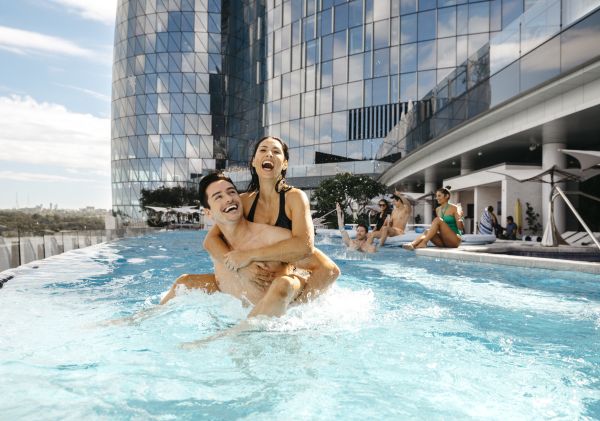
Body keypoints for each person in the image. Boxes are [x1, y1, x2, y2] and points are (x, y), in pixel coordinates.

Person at [203, 136, 339, 302]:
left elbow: (305, 246)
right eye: (263, 150)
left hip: (288, 278)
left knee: (328, 270)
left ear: (285, 164)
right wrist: (237, 268)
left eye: (276, 151)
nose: (269, 154)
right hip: (259, 284)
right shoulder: (245, 201)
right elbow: (211, 239)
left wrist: (249, 256)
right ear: (254, 161)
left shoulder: (294, 198)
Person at [160, 173, 305, 318]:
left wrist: (299, 302)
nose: (229, 199)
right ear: (208, 212)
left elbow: (321, 267)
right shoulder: (217, 243)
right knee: (184, 283)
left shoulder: (273, 237)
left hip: (269, 322)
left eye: (231, 192)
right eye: (218, 196)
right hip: (232, 312)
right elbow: (209, 243)